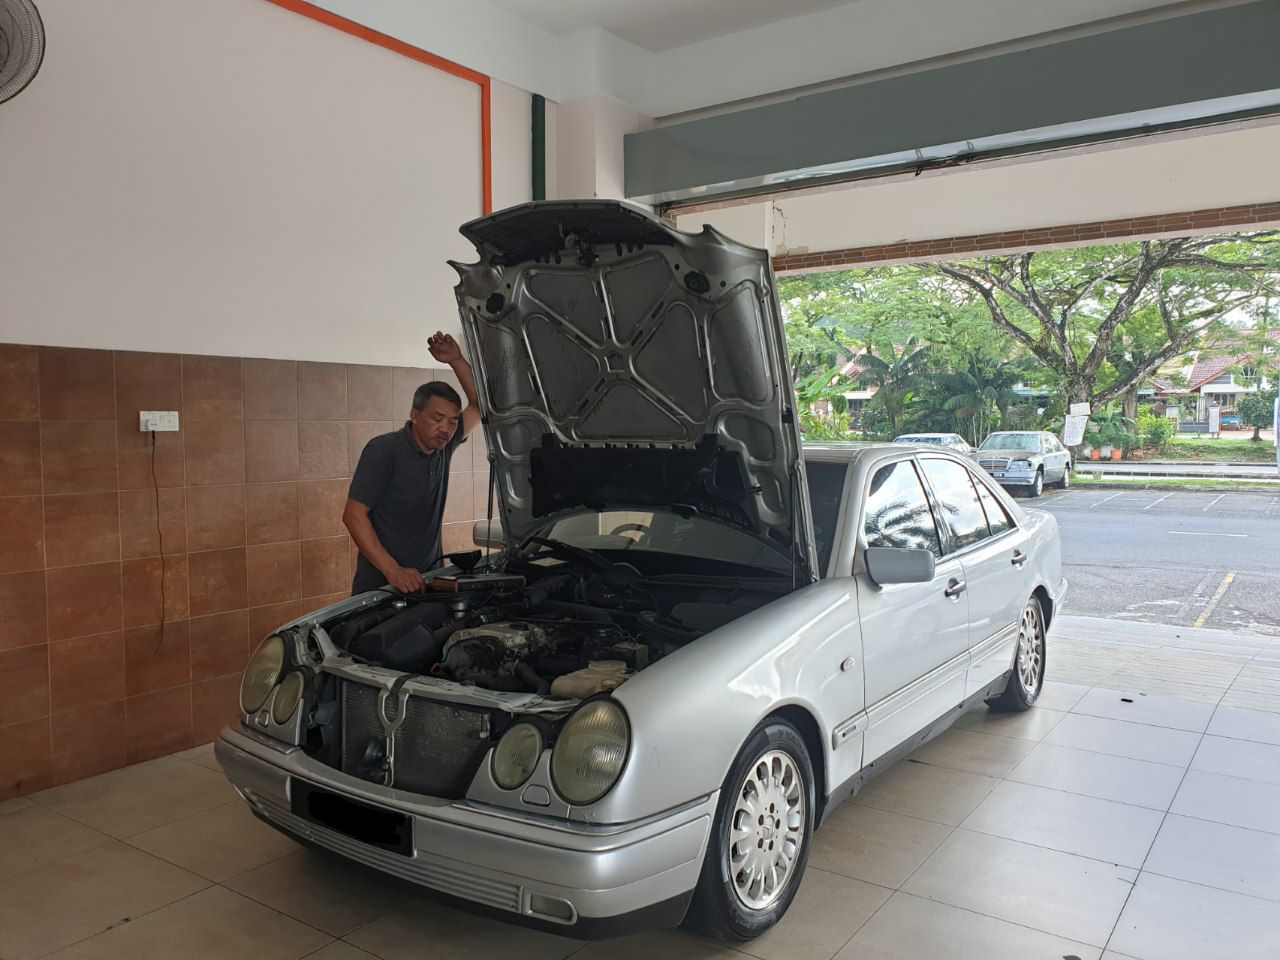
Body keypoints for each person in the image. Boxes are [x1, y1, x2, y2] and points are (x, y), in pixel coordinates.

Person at [343, 331, 482, 594]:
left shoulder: (444, 445)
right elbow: (353, 515)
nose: (446, 428)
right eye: (438, 418)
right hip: (381, 588)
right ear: (415, 416)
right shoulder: (384, 450)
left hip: (427, 582)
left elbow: (480, 404)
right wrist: (393, 571)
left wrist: (457, 360)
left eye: (453, 421)